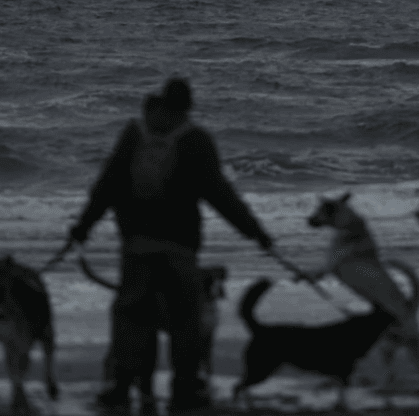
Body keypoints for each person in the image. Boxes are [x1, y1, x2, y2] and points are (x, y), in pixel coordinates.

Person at [68, 78, 275, 412]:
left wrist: (83, 226)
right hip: (179, 250)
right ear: (188, 107)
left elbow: (107, 184)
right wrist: (256, 232)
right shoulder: (195, 140)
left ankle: (121, 387)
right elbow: (221, 195)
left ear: (161, 102)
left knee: (133, 319)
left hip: (137, 247)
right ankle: (185, 389)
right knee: (185, 320)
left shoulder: (134, 135)